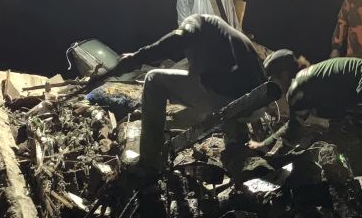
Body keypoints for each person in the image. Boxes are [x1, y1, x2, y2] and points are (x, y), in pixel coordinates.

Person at [96, 14, 265, 173]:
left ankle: (149, 162)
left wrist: (136, 58)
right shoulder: (227, 37)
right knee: (212, 83)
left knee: (154, 79)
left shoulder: (197, 21)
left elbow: (178, 38)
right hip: (255, 105)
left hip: (226, 99)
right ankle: (237, 141)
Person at [251, 57, 362, 174]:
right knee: (358, 140)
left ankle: (360, 191)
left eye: (271, 80)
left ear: (283, 75)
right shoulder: (312, 79)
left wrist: (272, 154)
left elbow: (293, 129)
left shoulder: (297, 88)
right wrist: (266, 144)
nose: (269, 86)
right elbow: (294, 125)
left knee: (345, 142)